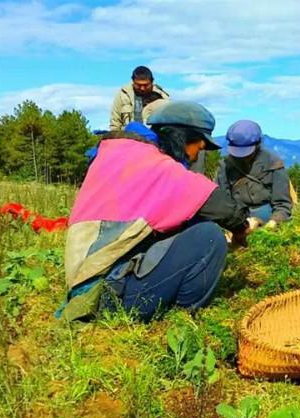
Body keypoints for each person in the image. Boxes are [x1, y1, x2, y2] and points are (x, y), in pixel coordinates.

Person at [60, 101, 253, 322]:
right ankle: (183, 318)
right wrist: (242, 228)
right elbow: (221, 207)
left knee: (189, 225)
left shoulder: (122, 154)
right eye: (198, 148)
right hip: (104, 298)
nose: (194, 157)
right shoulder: (158, 167)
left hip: (87, 284)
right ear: (182, 138)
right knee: (208, 237)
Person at [215, 120, 294, 228]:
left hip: (269, 219)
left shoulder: (274, 164)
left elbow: (282, 205)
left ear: (257, 145)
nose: (242, 157)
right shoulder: (225, 166)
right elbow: (223, 203)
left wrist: (274, 222)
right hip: (238, 221)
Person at [109, 66, 169, 131]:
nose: (142, 88)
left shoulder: (163, 97)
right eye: (138, 85)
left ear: (152, 82)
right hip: (128, 137)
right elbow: (115, 123)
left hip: (153, 138)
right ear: (133, 81)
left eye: (146, 85)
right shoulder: (123, 95)